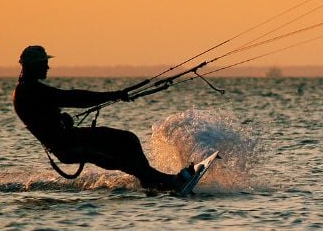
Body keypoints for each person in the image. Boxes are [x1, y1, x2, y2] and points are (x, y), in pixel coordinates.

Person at [13, 45, 192, 191]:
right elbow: (74, 98)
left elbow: (47, 114)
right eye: (44, 63)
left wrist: (62, 119)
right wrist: (113, 95)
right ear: (32, 65)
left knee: (127, 139)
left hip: (70, 137)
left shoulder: (30, 88)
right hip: (67, 146)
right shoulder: (28, 90)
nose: (47, 67)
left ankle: (151, 180)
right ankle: (165, 181)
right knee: (115, 159)